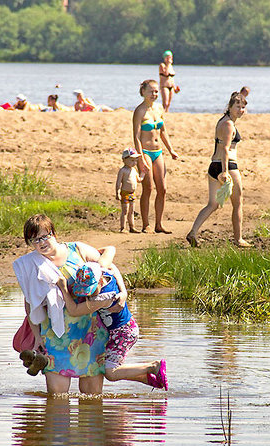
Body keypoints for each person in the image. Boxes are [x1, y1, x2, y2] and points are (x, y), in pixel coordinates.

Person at [12, 214, 116, 396]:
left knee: (92, 399)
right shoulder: (32, 264)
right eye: (35, 240)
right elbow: (30, 305)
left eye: (45, 236)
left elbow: (108, 266)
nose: (41, 243)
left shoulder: (78, 250)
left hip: (90, 332)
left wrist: (122, 293)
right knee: (57, 398)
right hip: (55, 335)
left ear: (53, 233)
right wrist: (37, 337)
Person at [63, 262, 167, 389]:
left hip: (124, 333)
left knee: (111, 372)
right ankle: (148, 379)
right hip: (121, 331)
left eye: (91, 289)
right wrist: (124, 291)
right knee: (108, 367)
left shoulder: (103, 297)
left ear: (100, 280)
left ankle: (153, 366)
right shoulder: (107, 274)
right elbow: (113, 266)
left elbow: (74, 310)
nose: (88, 294)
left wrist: (63, 288)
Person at [186, 91, 251, 248]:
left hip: (213, 165)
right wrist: (225, 172)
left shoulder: (223, 120)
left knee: (212, 204)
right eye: (237, 106)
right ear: (229, 107)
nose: (240, 109)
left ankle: (193, 232)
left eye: (243, 107)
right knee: (238, 203)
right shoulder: (229, 124)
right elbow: (226, 149)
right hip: (227, 166)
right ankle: (238, 239)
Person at [132, 79, 179, 233]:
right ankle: (146, 224)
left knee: (163, 189)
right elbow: (136, 137)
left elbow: (163, 131)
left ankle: (159, 224)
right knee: (148, 188)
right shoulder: (139, 111)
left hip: (158, 152)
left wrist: (171, 150)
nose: (154, 94)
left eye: (156, 91)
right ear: (143, 92)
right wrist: (140, 158)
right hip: (144, 152)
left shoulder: (159, 109)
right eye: (151, 91)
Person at [115, 148, 144, 233]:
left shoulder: (134, 170)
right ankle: (123, 227)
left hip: (132, 193)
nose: (134, 163)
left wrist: (143, 173)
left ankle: (132, 227)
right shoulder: (123, 171)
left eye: (135, 161)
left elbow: (139, 179)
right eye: (132, 160)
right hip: (125, 193)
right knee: (125, 210)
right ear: (124, 160)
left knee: (131, 210)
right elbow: (118, 182)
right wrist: (117, 192)